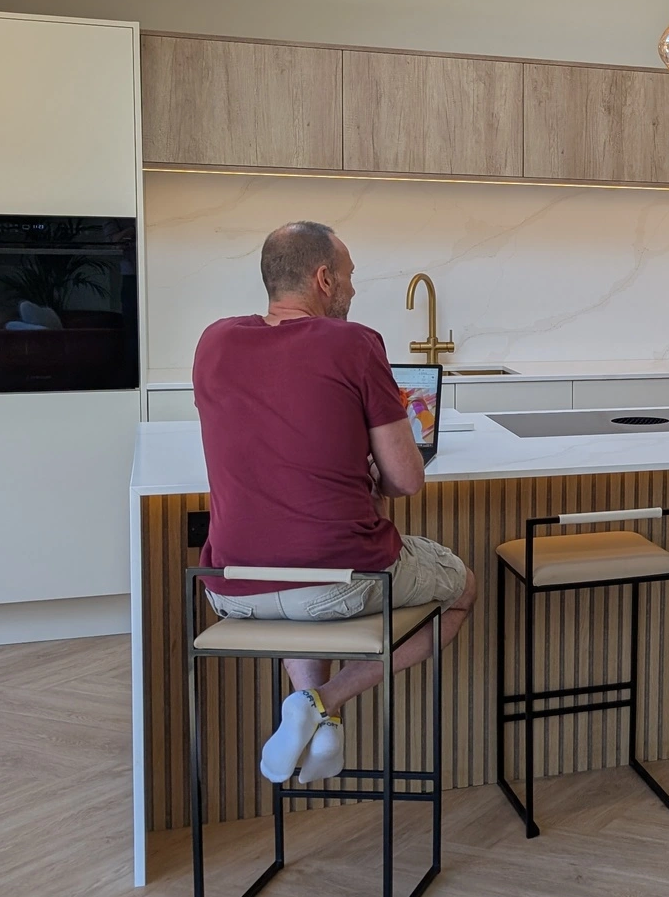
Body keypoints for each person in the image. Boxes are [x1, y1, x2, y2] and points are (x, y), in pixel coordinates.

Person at [193, 221, 476, 785]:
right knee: (463, 589)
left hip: (231, 587)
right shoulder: (354, 343)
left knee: (297, 584)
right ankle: (322, 700)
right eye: (348, 276)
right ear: (323, 279)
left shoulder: (214, 342)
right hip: (335, 584)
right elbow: (406, 479)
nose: (352, 288)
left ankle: (321, 727)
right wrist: (372, 476)